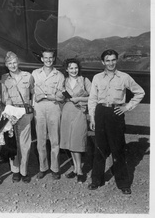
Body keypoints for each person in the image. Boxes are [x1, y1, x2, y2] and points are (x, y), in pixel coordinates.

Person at [88, 49, 145, 195]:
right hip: (101, 112)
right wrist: (93, 118)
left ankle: (124, 184)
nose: (111, 63)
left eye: (113, 60)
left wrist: (127, 106)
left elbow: (140, 92)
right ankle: (96, 180)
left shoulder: (124, 77)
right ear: (103, 62)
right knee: (99, 149)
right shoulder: (97, 77)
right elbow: (93, 99)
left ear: (116, 60)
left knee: (118, 150)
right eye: (107, 60)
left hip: (116, 113)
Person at [31, 50, 65, 181]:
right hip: (39, 108)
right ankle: (43, 167)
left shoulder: (59, 75)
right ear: (42, 59)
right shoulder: (35, 73)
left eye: (50, 58)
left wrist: (46, 95)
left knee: (54, 139)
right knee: (40, 139)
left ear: (54, 59)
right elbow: (31, 90)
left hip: (53, 106)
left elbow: (61, 95)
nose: (48, 60)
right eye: (46, 58)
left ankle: (55, 168)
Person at [1, 51, 34, 183]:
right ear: (6, 65)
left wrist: (32, 110)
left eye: (15, 62)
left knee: (25, 143)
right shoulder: (4, 78)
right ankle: (15, 170)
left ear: (18, 62)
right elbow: (4, 96)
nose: (13, 65)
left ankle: (24, 171)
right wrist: (10, 112)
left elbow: (33, 94)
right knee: (12, 142)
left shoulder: (28, 76)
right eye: (10, 63)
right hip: (11, 112)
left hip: (25, 112)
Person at [60, 58, 91, 183]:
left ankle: (79, 171)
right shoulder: (63, 82)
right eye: (71, 68)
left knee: (77, 140)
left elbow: (93, 97)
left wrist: (79, 99)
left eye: (76, 68)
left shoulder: (84, 80)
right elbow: (60, 97)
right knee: (69, 141)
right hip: (67, 111)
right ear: (67, 69)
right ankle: (76, 168)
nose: (74, 70)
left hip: (79, 112)